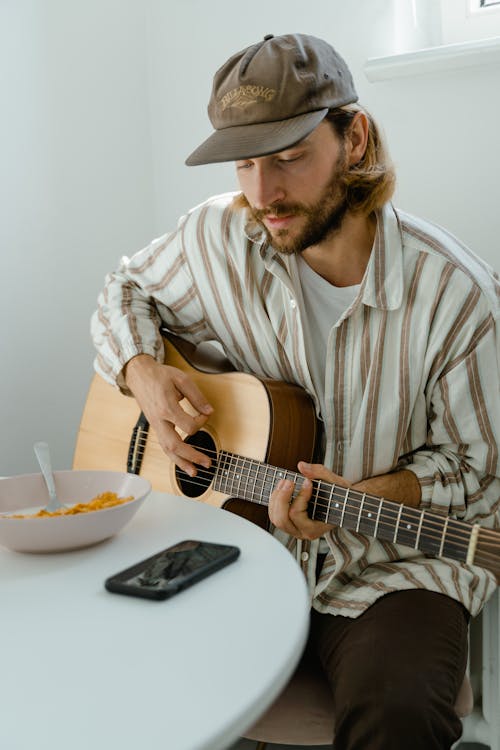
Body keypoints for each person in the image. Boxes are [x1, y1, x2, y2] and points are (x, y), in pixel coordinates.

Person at [91, 33, 500, 749]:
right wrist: (145, 375)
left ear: (356, 138)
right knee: (112, 665)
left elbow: (476, 470)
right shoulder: (214, 239)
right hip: (235, 550)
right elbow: (124, 292)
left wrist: (378, 492)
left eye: (287, 159)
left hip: (391, 566)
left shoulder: (460, 299)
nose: (262, 194)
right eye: (245, 163)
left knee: (397, 711)